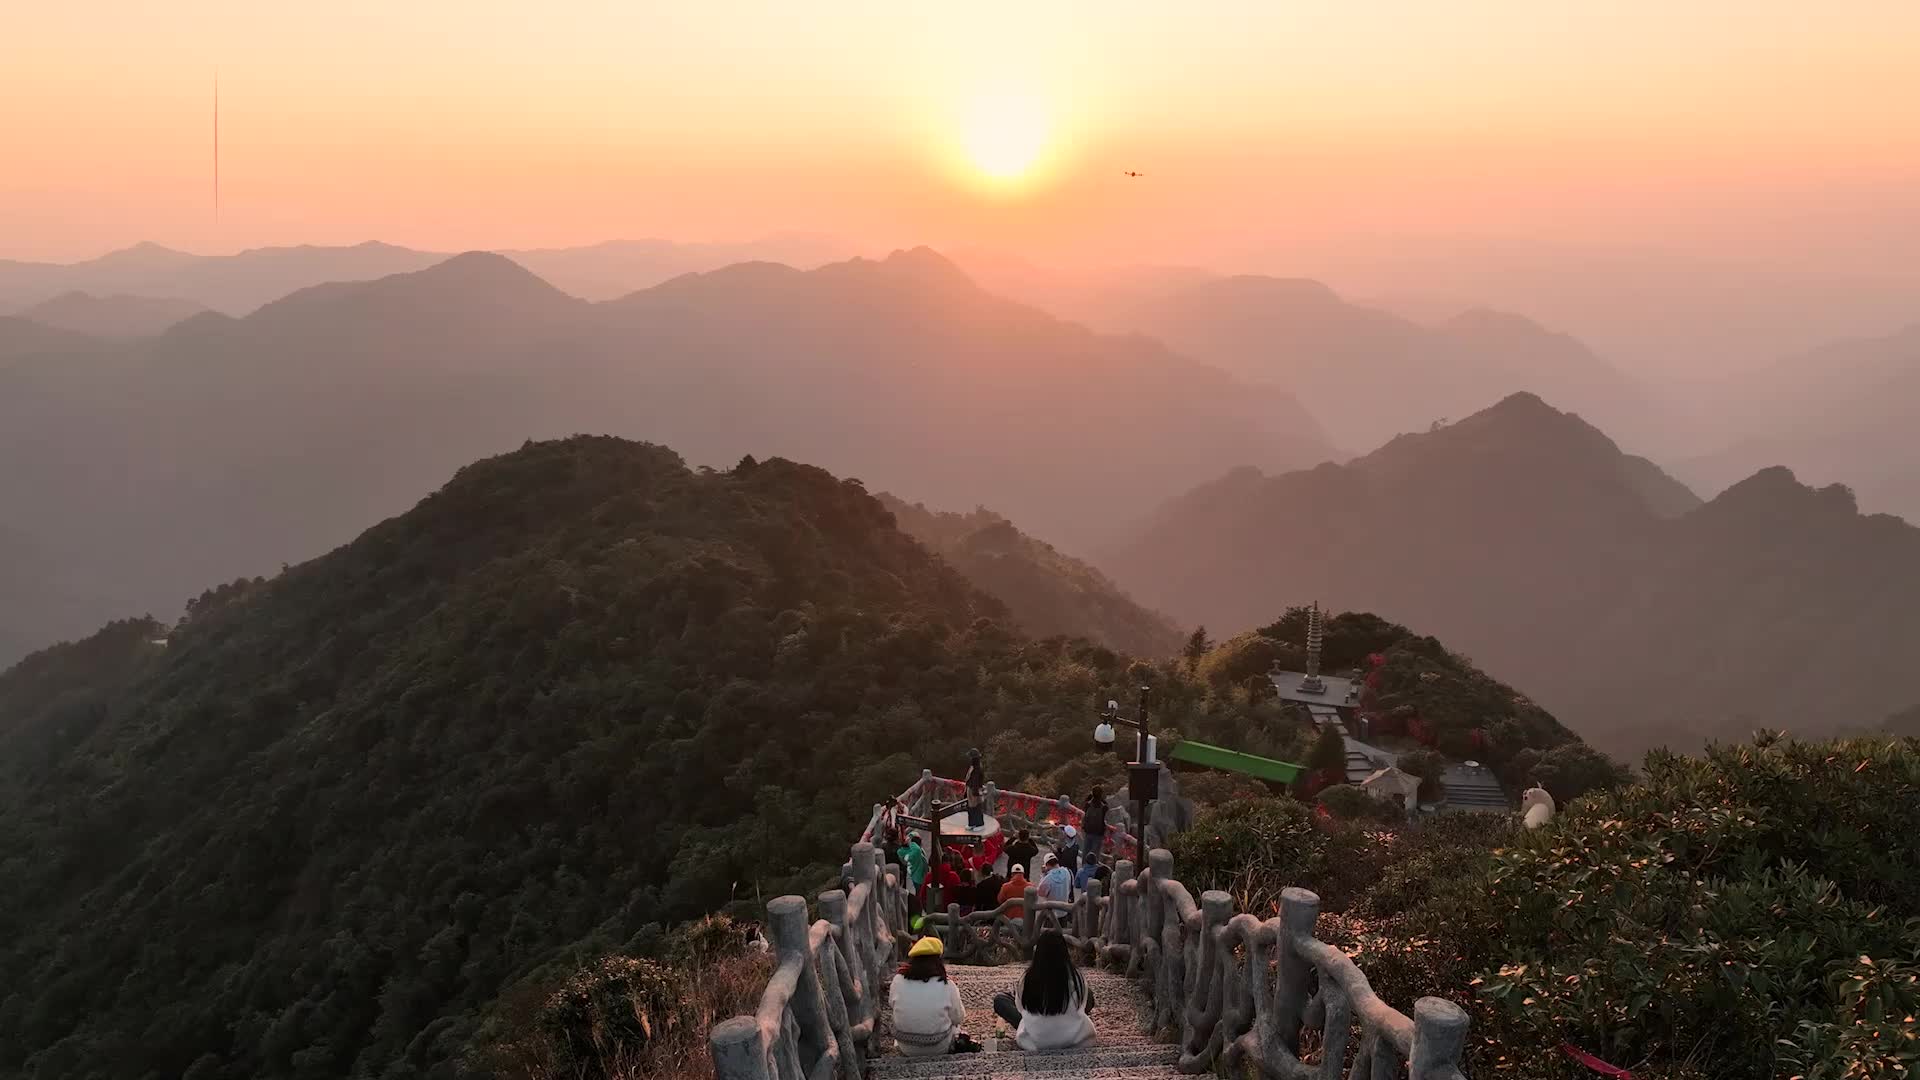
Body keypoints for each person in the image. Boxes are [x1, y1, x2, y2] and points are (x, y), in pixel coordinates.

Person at [992, 930, 1097, 1050]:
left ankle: (1046, 1025)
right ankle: (1068, 1022)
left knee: (1000, 1000)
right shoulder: (1076, 976)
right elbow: (1082, 1002)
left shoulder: (1028, 977)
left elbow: (1021, 1008)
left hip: (1035, 1038)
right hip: (1074, 1037)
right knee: (1088, 994)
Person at [890, 937, 979, 1056]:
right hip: (939, 1047)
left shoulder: (897, 980)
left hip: (905, 1046)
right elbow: (958, 1017)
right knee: (954, 1023)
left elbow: (892, 1004)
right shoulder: (947, 985)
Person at [1080, 784, 1108, 857]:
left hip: (1088, 831)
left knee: (1085, 852)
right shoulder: (1104, 807)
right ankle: (1093, 867)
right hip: (1098, 833)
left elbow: (1085, 804)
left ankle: (1084, 867)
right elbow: (1106, 806)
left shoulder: (1088, 805)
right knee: (1095, 854)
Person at [964, 748, 988, 829]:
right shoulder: (973, 767)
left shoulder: (978, 768)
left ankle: (979, 824)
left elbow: (976, 781)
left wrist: (975, 791)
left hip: (975, 790)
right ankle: (972, 823)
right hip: (970, 789)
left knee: (977, 807)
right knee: (970, 807)